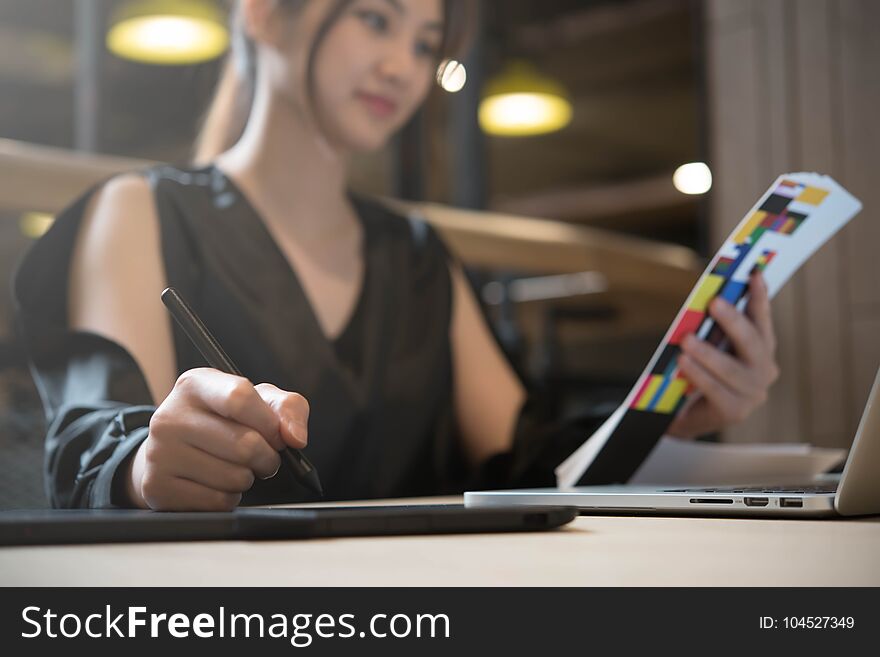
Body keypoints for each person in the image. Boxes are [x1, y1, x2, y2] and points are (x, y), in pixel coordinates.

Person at [12, 0, 780, 511]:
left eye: (423, 41)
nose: (403, 67)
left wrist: (661, 416)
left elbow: (522, 456)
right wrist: (146, 467)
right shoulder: (141, 210)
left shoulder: (417, 256)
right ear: (262, 13)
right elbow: (92, 439)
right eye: (375, 18)